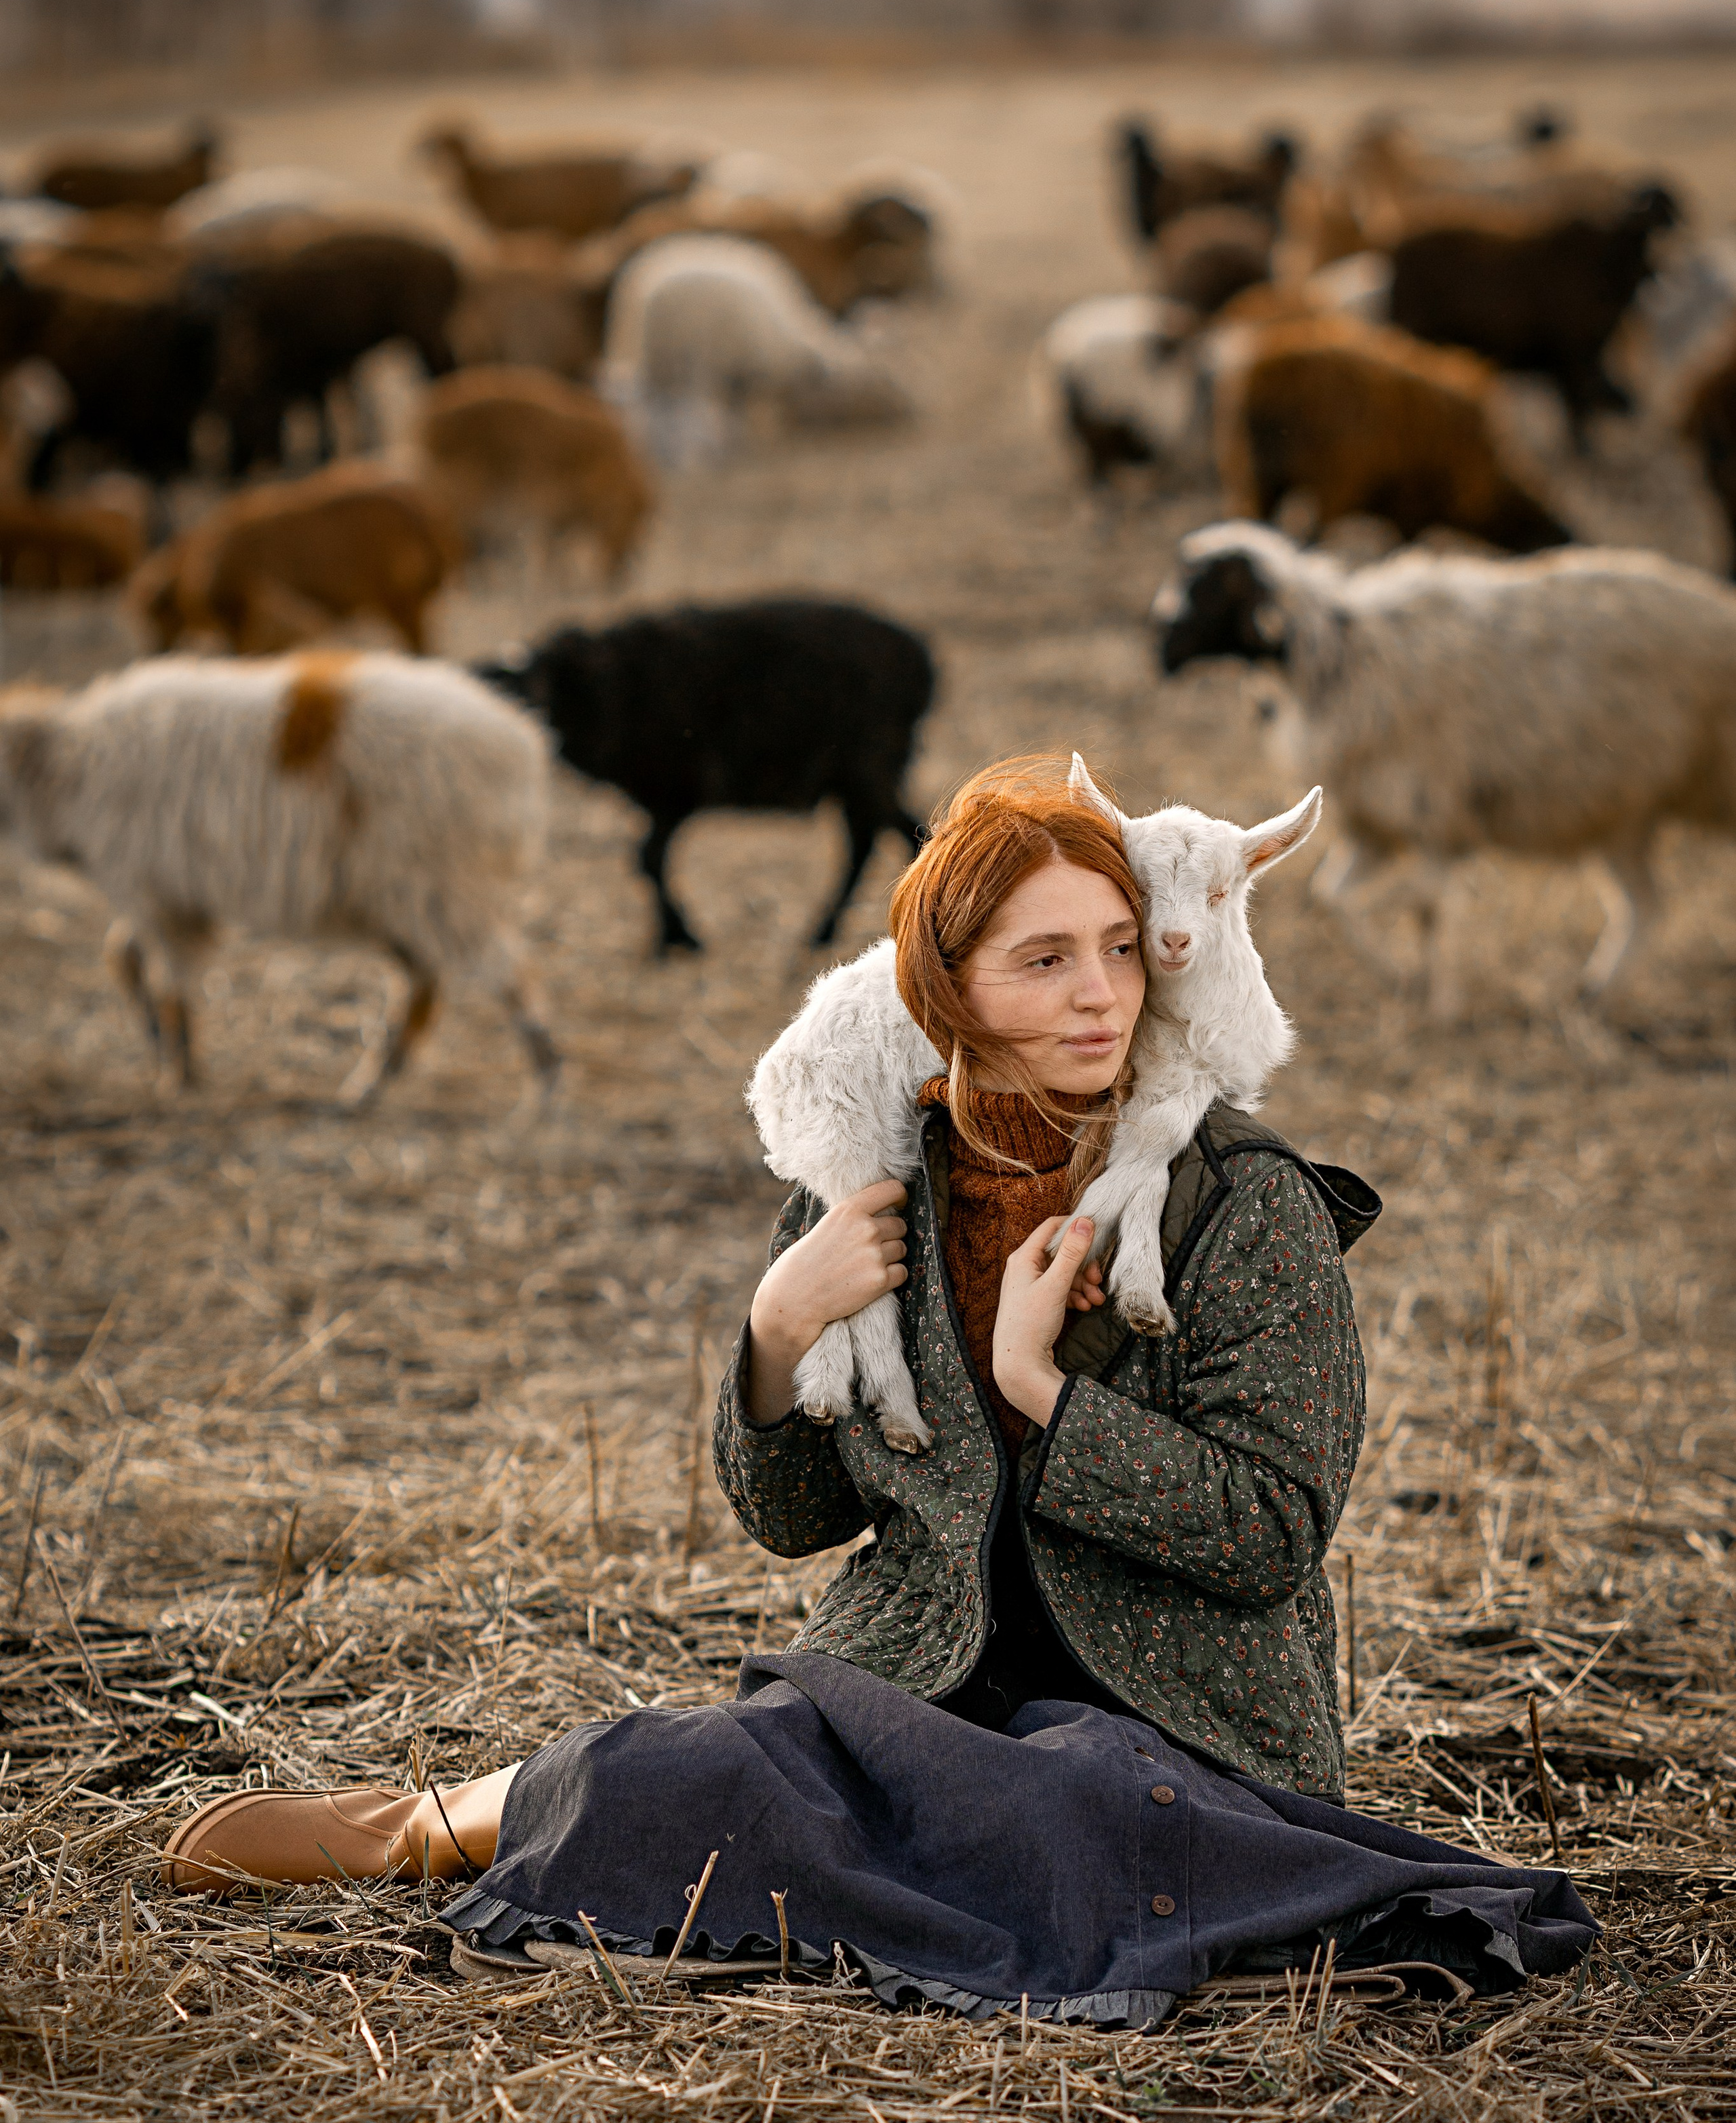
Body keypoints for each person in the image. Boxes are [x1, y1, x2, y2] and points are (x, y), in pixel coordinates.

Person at [164, 757, 1593, 2022]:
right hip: (911, 1693)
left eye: (1117, 948)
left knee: (1090, 1806)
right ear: (944, 987)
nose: (1101, 991)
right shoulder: (874, 1181)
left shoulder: (1242, 1202)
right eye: (1043, 960)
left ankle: (886, 1876)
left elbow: (1271, 1531)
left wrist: (1038, 1386)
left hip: (1179, 1729)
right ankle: (427, 1825)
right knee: (696, 1769)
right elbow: (792, 1519)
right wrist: (775, 1330)